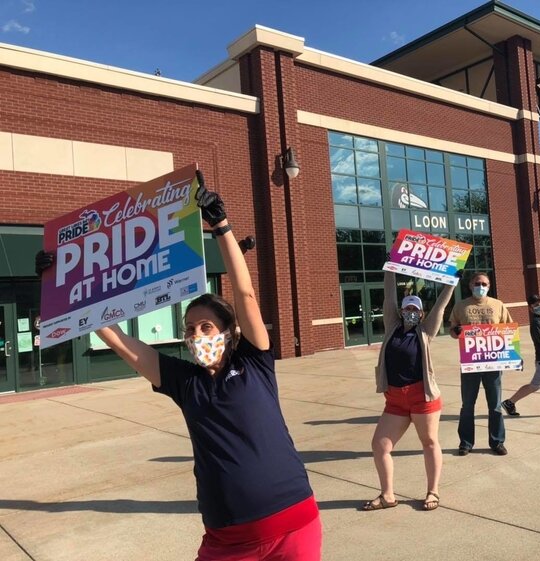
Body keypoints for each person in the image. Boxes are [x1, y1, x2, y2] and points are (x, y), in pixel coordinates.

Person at [36, 171, 321, 561]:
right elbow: (121, 342)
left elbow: (245, 293)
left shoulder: (255, 360)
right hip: (226, 540)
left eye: (207, 326)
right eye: (190, 328)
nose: (198, 334)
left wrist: (220, 225)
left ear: (229, 331)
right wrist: (60, 286)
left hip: (294, 526)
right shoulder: (184, 382)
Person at [364, 269, 456, 512]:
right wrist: (390, 271)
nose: (411, 312)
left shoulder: (425, 332)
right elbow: (388, 298)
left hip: (422, 398)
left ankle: (432, 491)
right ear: (401, 311)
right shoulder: (392, 326)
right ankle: (387, 495)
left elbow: (441, 307)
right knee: (380, 446)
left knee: (429, 443)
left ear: (421, 313)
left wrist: (451, 283)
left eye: (415, 309)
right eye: (408, 308)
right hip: (395, 399)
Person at [449, 272, 512, 456]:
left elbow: (509, 330)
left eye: (484, 283)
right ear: (470, 285)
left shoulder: (498, 305)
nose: (480, 286)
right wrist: (456, 331)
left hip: (493, 364)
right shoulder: (461, 306)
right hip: (471, 364)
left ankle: (497, 442)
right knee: (467, 405)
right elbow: (452, 330)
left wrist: (512, 356)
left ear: (489, 286)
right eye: (477, 283)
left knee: (495, 405)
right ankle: (466, 443)